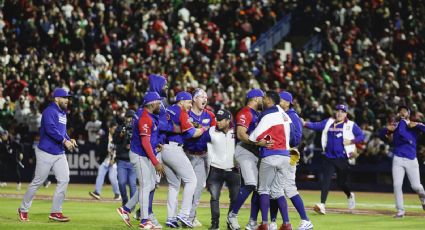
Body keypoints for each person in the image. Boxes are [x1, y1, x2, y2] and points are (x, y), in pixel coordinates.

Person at [18, 88, 77, 222]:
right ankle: (23, 208)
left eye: (68, 97)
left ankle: (56, 212)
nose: (67, 100)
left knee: (64, 179)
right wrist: (64, 141)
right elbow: (51, 129)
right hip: (46, 152)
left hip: (59, 152)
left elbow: (62, 131)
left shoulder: (63, 112)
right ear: (56, 98)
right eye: (64, 97)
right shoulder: (49, 111)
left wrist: (69, 138)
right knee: (38, 182)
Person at [302, 104, 365, 215]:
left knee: (341, 183)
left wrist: (351, 141)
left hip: (342, 158)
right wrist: (305, 123)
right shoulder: (328, 122)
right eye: (338, 111)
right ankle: (322, 205)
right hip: (329, 157)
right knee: (326, 180)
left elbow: (361, 136)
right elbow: (316, 125)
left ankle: (349, 195)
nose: (339, 113)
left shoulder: (351, 125)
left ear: (346, 114)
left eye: (342, 111)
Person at [116, 91, 166, 229]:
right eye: (158, 101)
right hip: (139, 155)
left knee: (149, 185)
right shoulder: (145, 117)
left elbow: (149, 138)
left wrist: (157, 144)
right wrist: (156, 162)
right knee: (145, 186)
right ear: (152, 103)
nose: (160, 104)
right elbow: (145, 142)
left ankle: (126, 209)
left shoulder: (145, 113)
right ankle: (145, 220)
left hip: (142, 154)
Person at [248, 90, 293, 230]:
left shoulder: (268, 115)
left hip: (270, 155)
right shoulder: (285, 116)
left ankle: (265, 223)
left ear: (268, 100)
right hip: (285, 156)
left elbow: (253, 137)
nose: (262, 100)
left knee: (263, 190)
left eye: (264, 98)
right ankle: (286, 224)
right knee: (278, 191)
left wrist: (263, 140)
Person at [162, 91, 207, 228]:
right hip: (175, 149)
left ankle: (171, 218)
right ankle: (184, 214)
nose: (189, 105)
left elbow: (164, 127)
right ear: (181, 101)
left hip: (164, 148)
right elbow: (192, 133)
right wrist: (204, 129)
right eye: (188, 102)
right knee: (192, 180)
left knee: (174, 185)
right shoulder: (182, 112)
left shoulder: (168, 109)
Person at [269, 91, 313, 230]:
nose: (278, 101)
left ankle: (305, 220)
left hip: (290, 152)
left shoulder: (293, 116)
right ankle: (274, 222)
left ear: (287, 102)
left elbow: (297, 138)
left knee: (287, 188)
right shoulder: (279, 114)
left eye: (281, 100)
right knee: (275, 188)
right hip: (282, 152)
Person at [227, 88, 264, 230]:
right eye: (262, 97)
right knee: (250, 183)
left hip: (256, 152)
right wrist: (257, 143)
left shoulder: (257, 114)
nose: (264, 100)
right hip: (245, 150)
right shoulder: (245, 112)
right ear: (255, 98)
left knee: (259, 188)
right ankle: (232, 215)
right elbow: (241, 134)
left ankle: (252, 221)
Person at [380, 105, 425, 218]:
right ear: (398, 114)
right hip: (398, 158)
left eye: (405, 111)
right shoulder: (395, 126)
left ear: (408, 114)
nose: (402, 113)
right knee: (397, 185)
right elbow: (381, 134)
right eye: (400, 111)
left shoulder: (413, 125)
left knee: (416, 186)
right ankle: (400, 210)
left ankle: (423, 197)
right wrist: (386, 130)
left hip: (411, 158)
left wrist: (418, 124)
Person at [184, 88, 216, 227]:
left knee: (198, 188)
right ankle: (182, 216)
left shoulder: (210, 115)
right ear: (194, 99)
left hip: (203, 155)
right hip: (187, 155)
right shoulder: (186, 114)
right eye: (201, 96)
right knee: (186, 187)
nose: (205, 99)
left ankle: (191, 216)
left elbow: (216, 135)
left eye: (205, 97)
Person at [205, 109, 240, 230]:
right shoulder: (211, 130)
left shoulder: (237, 131)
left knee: (235, 199)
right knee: (214, 198)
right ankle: (215, 224)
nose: (217, 122)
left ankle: (230, 223)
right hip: (216, 169)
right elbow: (200, 143)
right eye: (216, 119)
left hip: (233, 170)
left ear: (228, 120)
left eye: (220, 120)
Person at [89, 121, 121, 201]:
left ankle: (117, 194)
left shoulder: (119, 137)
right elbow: (101, 148)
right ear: (110, 129)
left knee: (112, 178)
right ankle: (97, 193)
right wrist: (100, 155)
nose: (115, 130)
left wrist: (114, 160)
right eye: (114, 129)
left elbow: (119, 150)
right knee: (100, 174)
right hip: (106, 160)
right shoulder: (104, 137)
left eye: (116, 129)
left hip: (114, 161)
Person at [114, 110, 137, 206]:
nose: (130, 119)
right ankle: (125, 200)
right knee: (121, 183)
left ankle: (131, 205)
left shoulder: (137, 129)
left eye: (132, 117)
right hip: (122, 160)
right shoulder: (120, 128)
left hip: (133, 161)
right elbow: (115, 140)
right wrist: (121, 135)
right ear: (125, 118)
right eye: (129, 117)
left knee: (133, 185)